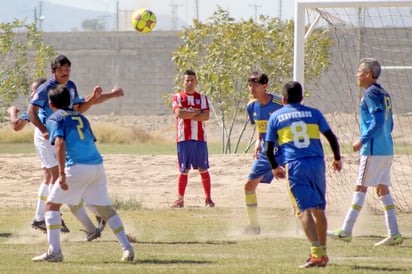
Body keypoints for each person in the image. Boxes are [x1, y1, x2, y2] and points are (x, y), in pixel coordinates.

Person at [32, 85, 134, 262]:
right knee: (105, 209)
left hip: (76, 167)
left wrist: (62, 173)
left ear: (50, 103)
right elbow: (90, 140)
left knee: (51, 206)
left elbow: (60, 144)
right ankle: (127, 248)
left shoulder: (54, 118)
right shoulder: (81, 117)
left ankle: (54, 252)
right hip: (97, 166)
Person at [28, 54, 122, 240]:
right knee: (58, 180)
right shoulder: (45, 89)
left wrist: (93, 99)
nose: (65, 73)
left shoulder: (70, 86)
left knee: (66, 180)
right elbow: (31, 111)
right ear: (53, 71)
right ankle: (52, 219)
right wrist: (43, 129)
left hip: (62, 134)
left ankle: (85, 222)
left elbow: (78, 109)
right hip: (46, 137)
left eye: (68, 70)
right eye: (62, 70)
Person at [265, 81, 342, 268]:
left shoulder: (276, 117)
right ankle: (323, 254)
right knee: (319, 209)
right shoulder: (314, 113)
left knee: (302, 210)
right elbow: (331, 137)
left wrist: (275, 166)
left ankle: (316, 255)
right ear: (302, 98)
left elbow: (268, 148)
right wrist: (337, 158)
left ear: (283, 100)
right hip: (317, 164)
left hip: (296, 165)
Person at [328, 58, 403, 246]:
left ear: (368, 74)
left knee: (360, 186)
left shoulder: (370, 93)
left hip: (373, 150)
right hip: (387, 149)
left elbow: (378, 121)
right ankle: (394, 233)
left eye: (360, 72)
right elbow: (389, 123)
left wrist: (362, 140)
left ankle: (346, 230)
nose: (357, 75)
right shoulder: (384, 93)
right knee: (382, 189)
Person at [7, 78, 70, 233]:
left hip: (49, 143)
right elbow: (18, 126)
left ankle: (41, 217)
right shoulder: (39, 107)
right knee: (55, 177)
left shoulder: (38, 107)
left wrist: (12, 113)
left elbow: (16, 126)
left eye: (33, 90)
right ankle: (45, 217)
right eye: (31, 91)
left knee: (49, 178)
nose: (32, 93)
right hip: (46, 143)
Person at [243, 71, 283, 235]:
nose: (252, 88)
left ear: (265, 86)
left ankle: (302, 224)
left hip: (284, 150)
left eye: (256, 84)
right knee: (249, 186)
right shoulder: (251, 106)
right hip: (266, 152)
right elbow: (261, 126)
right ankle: (254, 227)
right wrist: (258, 142)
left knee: (296, 186)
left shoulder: (279, 103)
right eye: (250, 84)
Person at [170, 69, 215, 208]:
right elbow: (179, 113)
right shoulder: (177, 97)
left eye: (192, 80)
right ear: (183, 82)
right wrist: (196, 112)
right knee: (184, 170)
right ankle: (180, 200)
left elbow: (206, 116)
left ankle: (208, 199)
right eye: (187, 80)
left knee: (203, 168)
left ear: (196, 82)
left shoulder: (202, 98)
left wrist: (188, 112)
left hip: (200, 139)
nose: (189, 83)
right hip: (183, 138)